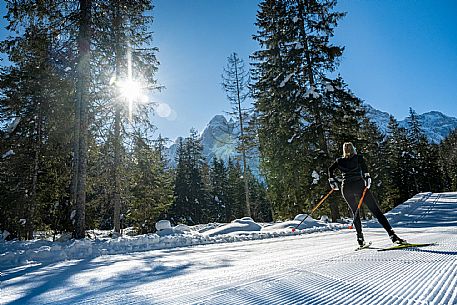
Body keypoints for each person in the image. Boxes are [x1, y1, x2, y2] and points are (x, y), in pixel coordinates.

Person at [328, 142, 406, 247]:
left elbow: (330, 169)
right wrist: (368, 179)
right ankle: (392, 236)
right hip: (359, 186)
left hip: (346, 188)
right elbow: (365, 171)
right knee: (376, 211)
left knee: (355, 212)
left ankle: (360, 239)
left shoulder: (339, 161)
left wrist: (332, 181)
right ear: (353, 149)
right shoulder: (358, 158)